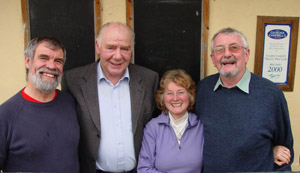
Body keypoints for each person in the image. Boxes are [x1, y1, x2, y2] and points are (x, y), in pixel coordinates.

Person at [61, 22, 159, 173]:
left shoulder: (148, 79)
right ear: (97, 46)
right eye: (111, 48)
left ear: (131, 49)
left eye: (124, 49)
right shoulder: (73, 80)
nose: (118, 56)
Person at [195, 27, 294, 172]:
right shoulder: (203, 89)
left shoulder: (271, 94)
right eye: (220, 50)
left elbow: (284, 150)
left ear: (246, 54)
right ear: (213, 58)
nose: (227, 54)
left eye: (234, 48)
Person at [0, 37, 79, 172]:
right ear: (28, 61)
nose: (51, 66)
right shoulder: (5, 115)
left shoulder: (69, 102)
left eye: (58, 61)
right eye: (44, 58)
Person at [138, 69, 204, 173]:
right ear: (162, 97)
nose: (175, 98)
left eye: (180, 92)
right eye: (169, 93)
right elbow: (144, 169)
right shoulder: (153, 128)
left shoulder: (201, 126)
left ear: (190, 95)